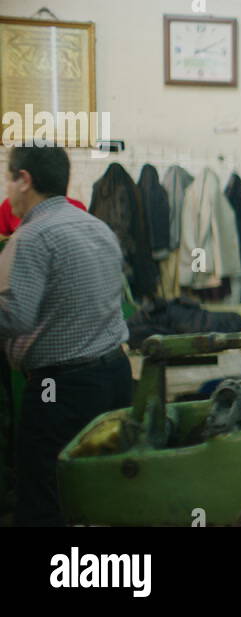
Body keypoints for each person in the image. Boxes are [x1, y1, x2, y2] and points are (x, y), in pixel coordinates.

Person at [0, 145, 132, 526]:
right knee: (101, 489)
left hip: (60, 390)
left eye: (9, 178)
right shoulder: (95, 226)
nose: (7, 190)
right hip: (115, 377)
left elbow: (15, 318)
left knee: (44, 492)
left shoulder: (31, 237)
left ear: (25, 180)